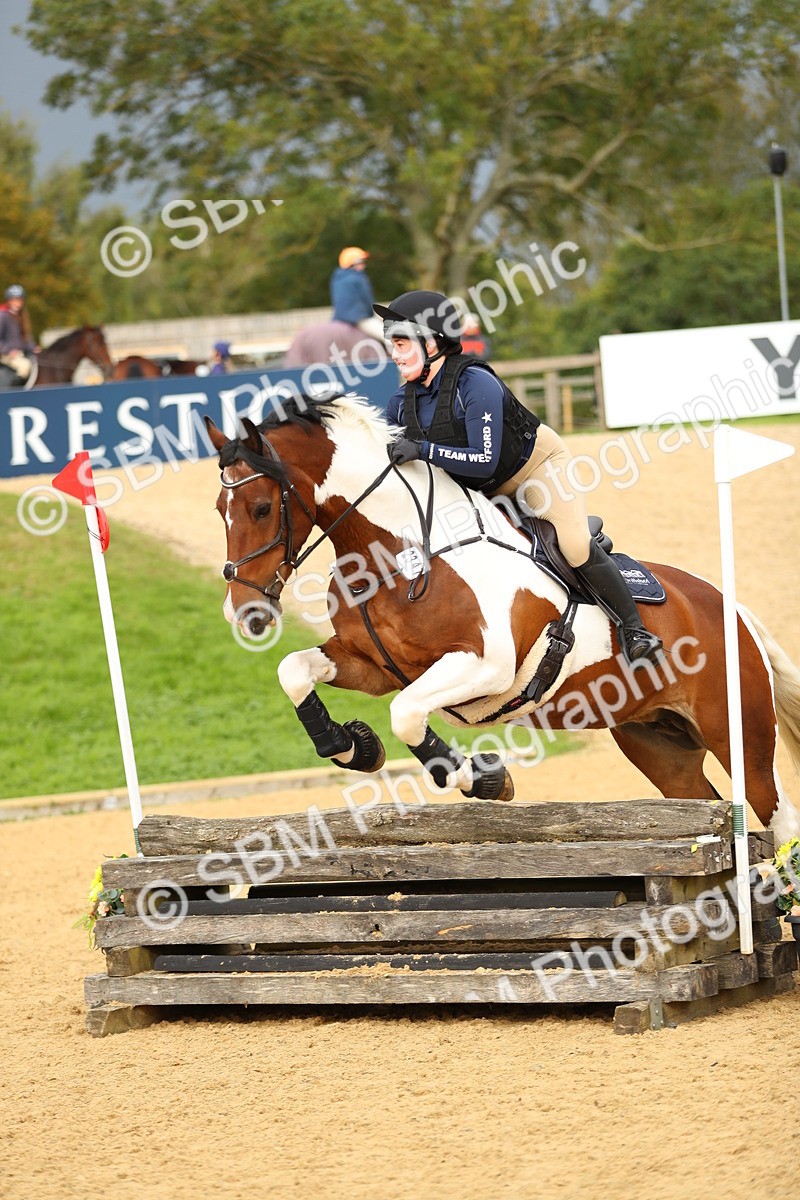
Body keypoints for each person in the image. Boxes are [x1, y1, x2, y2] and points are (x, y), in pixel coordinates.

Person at [374, 290, 662, 665]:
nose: (393, 354)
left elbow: (482, 462)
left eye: (400, 343)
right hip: (479, 491)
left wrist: (424, 451)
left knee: (573, 544)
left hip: (534, 471)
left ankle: (635, 630)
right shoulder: (400, 403)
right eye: (391, 344)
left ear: (432, 342)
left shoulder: (475, 384)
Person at [330, 248, 384, 342]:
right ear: (352, 264)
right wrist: (371, 315)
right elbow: (367, 300)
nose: (364, 265)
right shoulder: (358, 278)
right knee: (388, 336)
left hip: (339, 318)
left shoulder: (337, 278)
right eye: (361, 262)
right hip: (358, 318)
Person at [0, 285, 37, 381]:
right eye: (14, 300)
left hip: (22, 353)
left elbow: (26, 337)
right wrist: (9, 350)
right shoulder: (3, 316)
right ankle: (17, 393)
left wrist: (33, 347)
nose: (17, 303)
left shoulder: (22, 316)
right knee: (24, 366)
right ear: (9, 301)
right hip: (6, 354)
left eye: (20, 300)